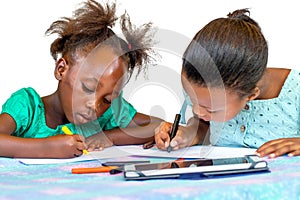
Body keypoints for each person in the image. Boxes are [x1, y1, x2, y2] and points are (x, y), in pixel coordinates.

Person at [0, 0, 162, 158]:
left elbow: (157, 127)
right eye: (88, 88)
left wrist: (109, 137)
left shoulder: (108, 113)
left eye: (107, 99)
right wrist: (46, 148)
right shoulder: (27, 108)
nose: (95, 106)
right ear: (61, 69)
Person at [154, 9, 300, 158]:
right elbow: (206, 125)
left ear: (250, 95)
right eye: (192, 100)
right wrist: (189, 133)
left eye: (212, 109)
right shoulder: (201, 88)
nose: (198, 111)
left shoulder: (296, 91)